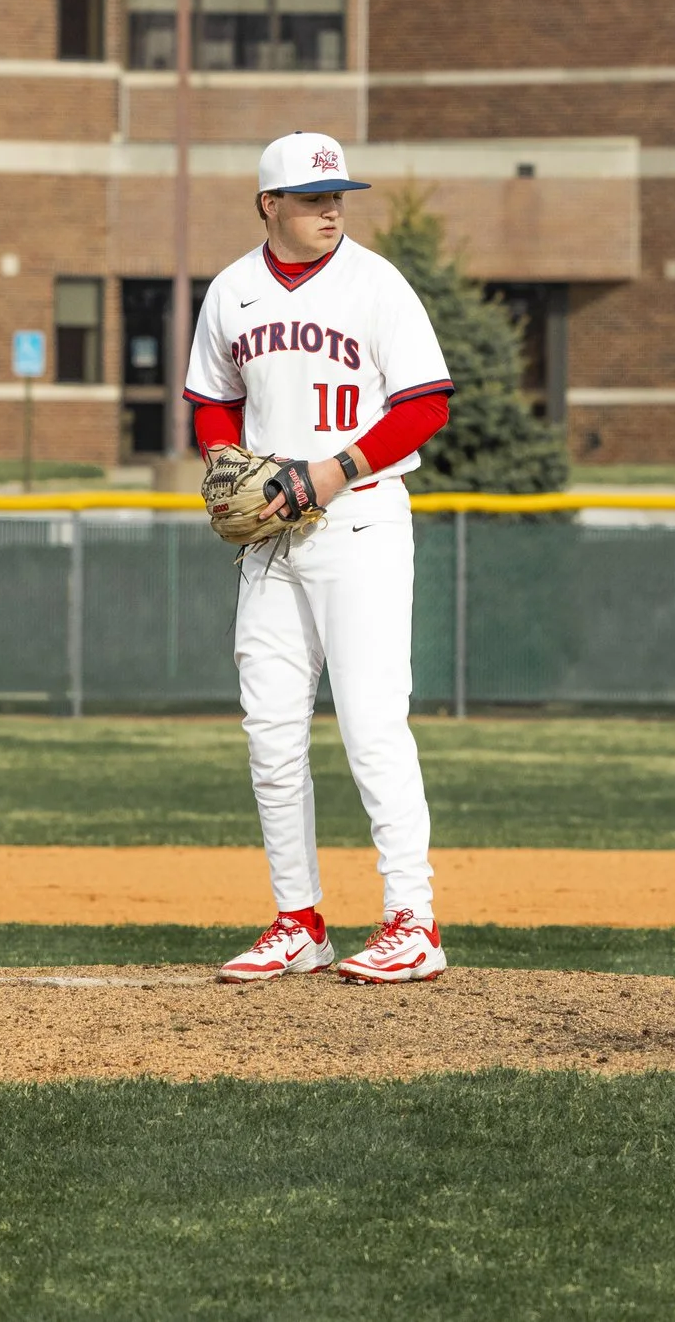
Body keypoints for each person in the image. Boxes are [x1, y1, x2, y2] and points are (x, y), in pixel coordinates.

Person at [183, 131, 455, 985]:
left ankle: (413, 920)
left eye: (337, 194)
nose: (331, 209)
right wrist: (224, 462)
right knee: (269, 730)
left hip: (360, 521)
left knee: (373, 724)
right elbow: (212, 400)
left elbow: (425, 407)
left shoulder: (377, 284)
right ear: (270, 205)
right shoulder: (232, 291)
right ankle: (298, 920)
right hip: (273, 536)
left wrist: (332, 471)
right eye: (311, 197)